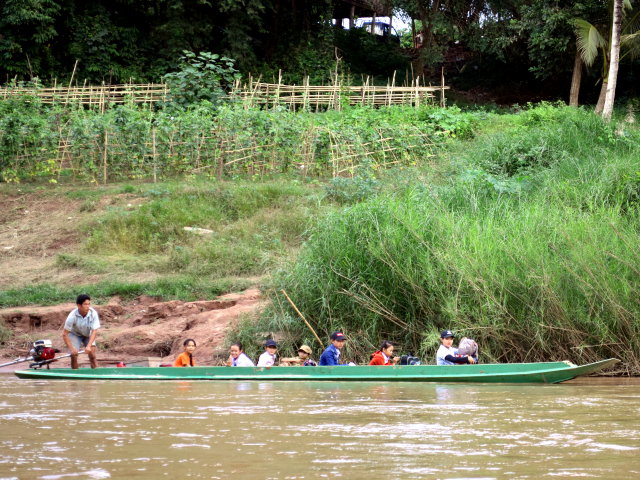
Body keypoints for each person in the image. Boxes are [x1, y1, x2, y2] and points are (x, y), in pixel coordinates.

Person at [62, 293, 100, 369]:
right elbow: (64, 334)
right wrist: (72, 349)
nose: (88, 306)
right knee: (74, 355)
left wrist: (89, 346)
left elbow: (94, 331)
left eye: (89, 304)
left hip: (88, 334)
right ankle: (75, 375)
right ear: (79, 305)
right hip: (75, 334)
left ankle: (96, 376)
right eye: (85, 304)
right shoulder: (72, 316)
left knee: (92, 355)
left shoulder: (93, 313)